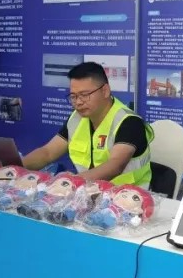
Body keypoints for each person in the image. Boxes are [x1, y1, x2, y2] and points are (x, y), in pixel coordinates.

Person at [23, 62, 154, 187]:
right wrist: (16, 167)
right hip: (89, 192)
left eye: (84, 95)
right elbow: (48, 152)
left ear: (105, 91)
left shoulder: (129, 122)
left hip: (130, 196)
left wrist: (73, 182)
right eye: (73, 96)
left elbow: (115, 165)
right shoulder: (77, 118)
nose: (78, 102)